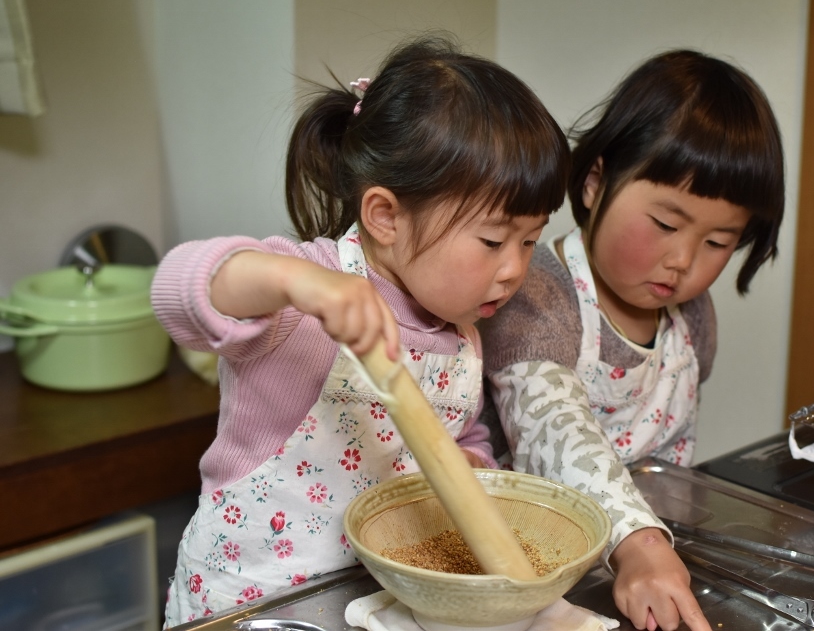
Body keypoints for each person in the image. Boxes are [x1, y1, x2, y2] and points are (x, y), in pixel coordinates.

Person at [155, 36, 570, 626]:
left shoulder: (458, 326)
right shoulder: (306, 297)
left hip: (366, 600)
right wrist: (293, 282)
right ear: (385, 216)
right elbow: (176, 291)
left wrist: (474, 469)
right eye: (492, 241)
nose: (514, 269)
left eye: (529, 241)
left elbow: (455, 433)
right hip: (249, 601)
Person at [480, 49, 785, 631]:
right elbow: (554, 431)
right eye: (666, 225)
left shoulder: (692, 319)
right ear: (595, 182)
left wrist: (653, 550)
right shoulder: (540, 292)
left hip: (637, 571)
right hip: (524, 577)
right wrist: (641, 546)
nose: (682, 261)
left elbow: (668, 465)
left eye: (719, 242)